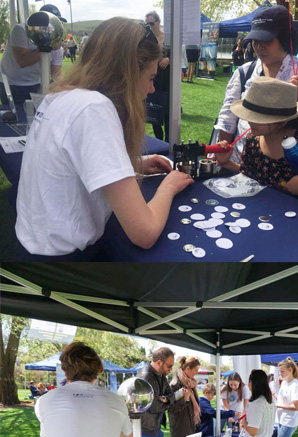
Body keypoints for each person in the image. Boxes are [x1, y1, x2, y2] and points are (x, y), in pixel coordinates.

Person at [14, 18, 193, 260]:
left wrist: (133, 165)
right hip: (65, 259)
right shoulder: (94, 108)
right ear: (128, 74)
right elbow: (145, 233)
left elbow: (69, 167)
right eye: (150, 78)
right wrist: (169, 187)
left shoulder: (61, 96)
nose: (152, 89)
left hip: (32, 244)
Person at [214, 7, 298, 170]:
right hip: (241, 163)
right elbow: (228, 119)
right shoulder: (244, 72)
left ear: (285, 39)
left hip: (289, 169)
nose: (259, 47)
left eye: (267, 41)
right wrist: (223, 152)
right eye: (255, 41)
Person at [210, 76, 298, 216]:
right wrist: (226, 162)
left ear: (282, 122)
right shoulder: (253, 140)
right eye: (250, 115)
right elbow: (250, 174)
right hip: (277, 209)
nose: (249, 121)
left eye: (258, 118)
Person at [0, 4, 64, 106]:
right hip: (13, 83)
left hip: (37, 84)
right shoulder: (20, 30)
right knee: (16, 117)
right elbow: (22, 61)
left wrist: (67, 89)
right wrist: (50, 47)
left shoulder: (56, 47)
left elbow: (56, 73)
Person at [144, 11, 172, 143]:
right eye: (147, 23)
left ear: (158, 22)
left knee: (167, 109)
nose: (149, 26)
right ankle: (159, 140)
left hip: (166, 76)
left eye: (151, 23)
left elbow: (178, 53)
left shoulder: (167, 37)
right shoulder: (147, 38)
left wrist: (168, 59)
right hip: (153, 76)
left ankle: (168, 140)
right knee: (154, 106)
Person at [167, 356, 202, 437]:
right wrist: (184, 400)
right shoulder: (174, 385)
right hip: (180, 430)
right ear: (187, 368)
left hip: (191, 427)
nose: (196, 373)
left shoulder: (191, 383)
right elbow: (171, 409)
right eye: (195, 370)